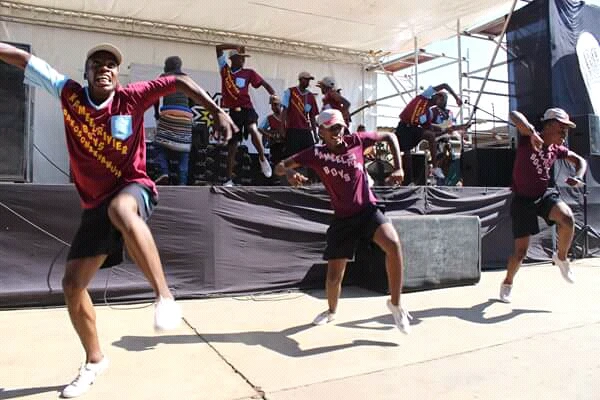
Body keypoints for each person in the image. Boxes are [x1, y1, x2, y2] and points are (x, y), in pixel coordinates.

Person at [0, 42, 237, 398]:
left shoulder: (132, 97)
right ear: (86, 73)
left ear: (117, 74)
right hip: (95, 205)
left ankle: (164, 297)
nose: (105, 68)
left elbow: (179, 81)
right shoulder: (68, 93)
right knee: (72, 285)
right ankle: (95, 360)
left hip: (133, 187)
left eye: (111, 64)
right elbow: (24, 59)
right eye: (97, 63)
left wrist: (216, 111)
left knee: (121, 210)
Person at [275, 109, 411, 334]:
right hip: (343, 219)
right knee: (334, 276)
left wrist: (399, 166)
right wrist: (289, 174)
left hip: (367, 210)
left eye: (339, 127)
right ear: (321, 131)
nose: (336, 132)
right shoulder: (315, 154)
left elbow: (390, 136)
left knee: (393, 244)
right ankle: (331, 311)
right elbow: (281, 166)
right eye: (330, 129)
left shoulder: (356, 141)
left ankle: (396, 305)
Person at [499, 108, 587, 303]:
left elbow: (580, 160)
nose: (565, 134)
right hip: (523, 200)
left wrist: (578, 176)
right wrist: (531, 133)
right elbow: (514, 115)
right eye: (562, 129)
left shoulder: (556, 149)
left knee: (567, 218)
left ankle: (561, 258)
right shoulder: (527, 139)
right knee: (520, 253)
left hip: (544, 194)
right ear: (548, 126)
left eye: (567, 130)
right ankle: (507, 282)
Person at [216, 44, 275, 186]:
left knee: (253, 129)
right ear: (232, 59)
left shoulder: (249, 73)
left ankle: (262, 158)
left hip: (247, 109)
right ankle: (228, 180)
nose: (243, 60)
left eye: (244, 58)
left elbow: (265, 84)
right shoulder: (225, 70)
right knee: (233, 146)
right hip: (233, 112)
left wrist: (273, 95)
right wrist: (234, 45)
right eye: (240, 57)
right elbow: (218, 48)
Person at [394, 83, 462, 185]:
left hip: (414, 128)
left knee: (430, 135)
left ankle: (435, 167)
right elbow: (445, 85)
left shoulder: (427, 113)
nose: (442, 102)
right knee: (407, 154)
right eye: (442, 99)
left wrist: (446, 130)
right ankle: (409, 181)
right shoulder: (425, 96)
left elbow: (430, 129)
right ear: (437, 96)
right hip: (404, 127)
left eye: (444, 100)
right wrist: (456, 98)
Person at [153, 56, 193, 185]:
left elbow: (155, 97)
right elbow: (194, 98)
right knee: (184, 152)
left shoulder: (163, 77)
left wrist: (156, 113)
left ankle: (163, 172)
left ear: (168, 67)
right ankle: (182, 183)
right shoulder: (187, 79)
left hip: (168, 112)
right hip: (186, 116)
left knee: (159, 146)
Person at [280, 72, 320, 158]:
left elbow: (312, 117)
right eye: (306, 79)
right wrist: (282, 128)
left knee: (310, 155)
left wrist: (315, 134)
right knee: (292, 156)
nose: (308, 82)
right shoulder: (290, 91)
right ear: (300, 79)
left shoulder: (310, 96)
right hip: (292, 129)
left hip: (305, 130)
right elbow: (284, 111)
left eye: (309, 80)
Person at [258, 95, 285, 167]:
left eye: (275, 104)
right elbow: (260, 128)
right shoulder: (269, 118)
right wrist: (269, 135)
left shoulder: (286, 117)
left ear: (280, 105)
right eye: (272, 105)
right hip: (275, 146)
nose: (273, 107)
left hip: (285, 144)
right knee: (275, 163)